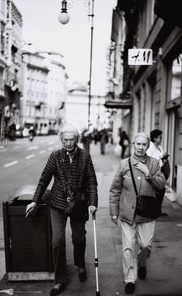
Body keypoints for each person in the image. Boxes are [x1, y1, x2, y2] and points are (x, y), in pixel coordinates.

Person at [26, 125, 98, 295]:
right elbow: (44, 179)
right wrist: (35, 201)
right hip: (57, 202)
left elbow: (91, 182)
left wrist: (93, 202)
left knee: (78, 236)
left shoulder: (85, 157)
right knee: (57, 241)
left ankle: (80, 264)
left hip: (79, 203)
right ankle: (60, 280)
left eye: (71, 139)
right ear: (61, 140)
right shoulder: (56, 156)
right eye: (65, 140)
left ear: (77, 140)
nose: (68, 143)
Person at [109, 132, 166, 294]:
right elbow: (115, 189)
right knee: (128, 248)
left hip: (147, 213)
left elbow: (161, 184)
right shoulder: (124, 164)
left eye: (144, 144)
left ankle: (142, 263)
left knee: (146, 245)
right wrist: (114, 212)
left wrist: (148, 174)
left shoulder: (154, 163)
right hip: (128, 214)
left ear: (147, 146)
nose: (140, 147)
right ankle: (129, 279)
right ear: (133, 145)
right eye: (138, 144)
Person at [147, 129, 170, 216]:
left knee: (160, 191)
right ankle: (154, 211)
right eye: (160, 137)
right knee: (158, 190)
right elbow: (149, 160)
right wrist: (161, 156)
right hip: (153, 172)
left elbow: (160, 160)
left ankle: (157, 210)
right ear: (154, 138)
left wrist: (164, 159)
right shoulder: (150, 148)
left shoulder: (160, 148)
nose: (161, 139)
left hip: (160, 171)